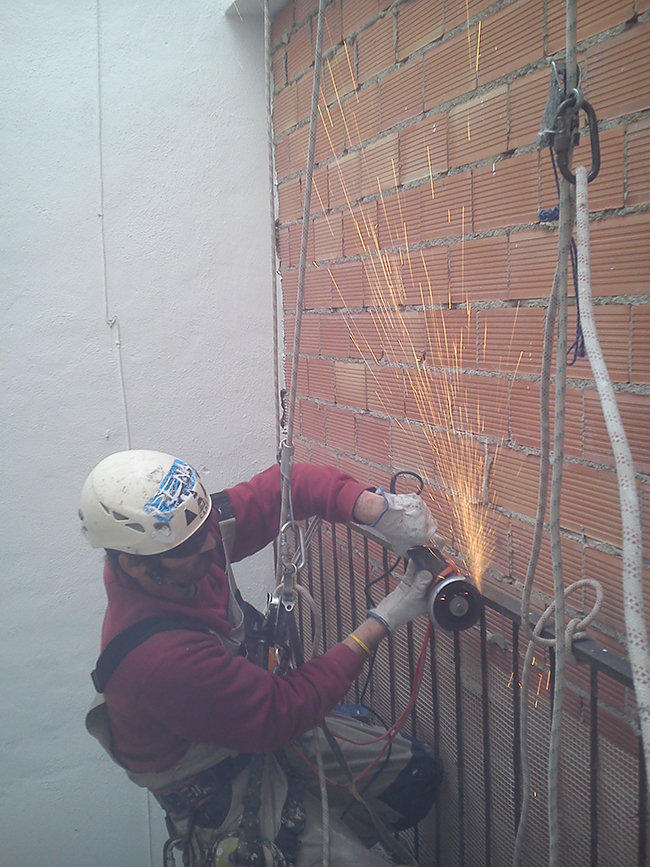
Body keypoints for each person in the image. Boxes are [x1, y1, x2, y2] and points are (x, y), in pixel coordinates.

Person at [81, 450, 443, 866]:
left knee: (415, 777)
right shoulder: (159, 659)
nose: (212, 544)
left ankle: (328, 825)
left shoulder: (181, 537)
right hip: (221, 785)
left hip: (254, 718)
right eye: (194, 544)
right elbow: (281, 710)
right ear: (135, 565)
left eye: (206, 527)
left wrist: (375, 508)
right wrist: (384, 619)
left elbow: (283, 490)